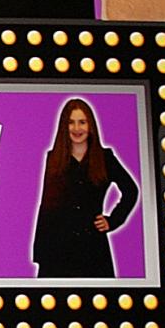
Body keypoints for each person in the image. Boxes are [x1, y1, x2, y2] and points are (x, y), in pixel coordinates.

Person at [31, 98, 138, 278]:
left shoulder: (105, 158)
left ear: (91, 125)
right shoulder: (54, 158)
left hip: (92, 245)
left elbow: (131, 190)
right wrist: (41, 252)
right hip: (58, 247)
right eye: (71, 122)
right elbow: (47, 206)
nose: (76, 128)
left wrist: (113, 220)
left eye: (82, 122)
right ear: (64, 126)